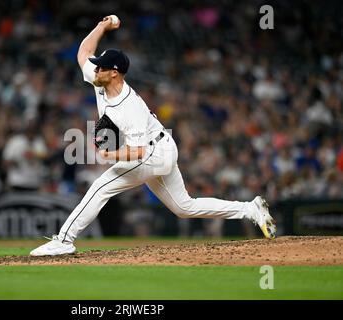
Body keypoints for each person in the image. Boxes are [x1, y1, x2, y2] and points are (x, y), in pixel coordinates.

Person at [30, 16, 276, 256]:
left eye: (102, 66)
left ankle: (64, 240)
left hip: (154, 152)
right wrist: (101, 26)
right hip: (160, 145)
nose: (96, 68)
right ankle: (250, 209)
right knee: (184, 207)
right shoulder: (99, 78)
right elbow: (83, 53)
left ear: (114, 73)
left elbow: (138, 152)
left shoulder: (129, 107)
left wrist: (109, 154)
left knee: (100, 186)